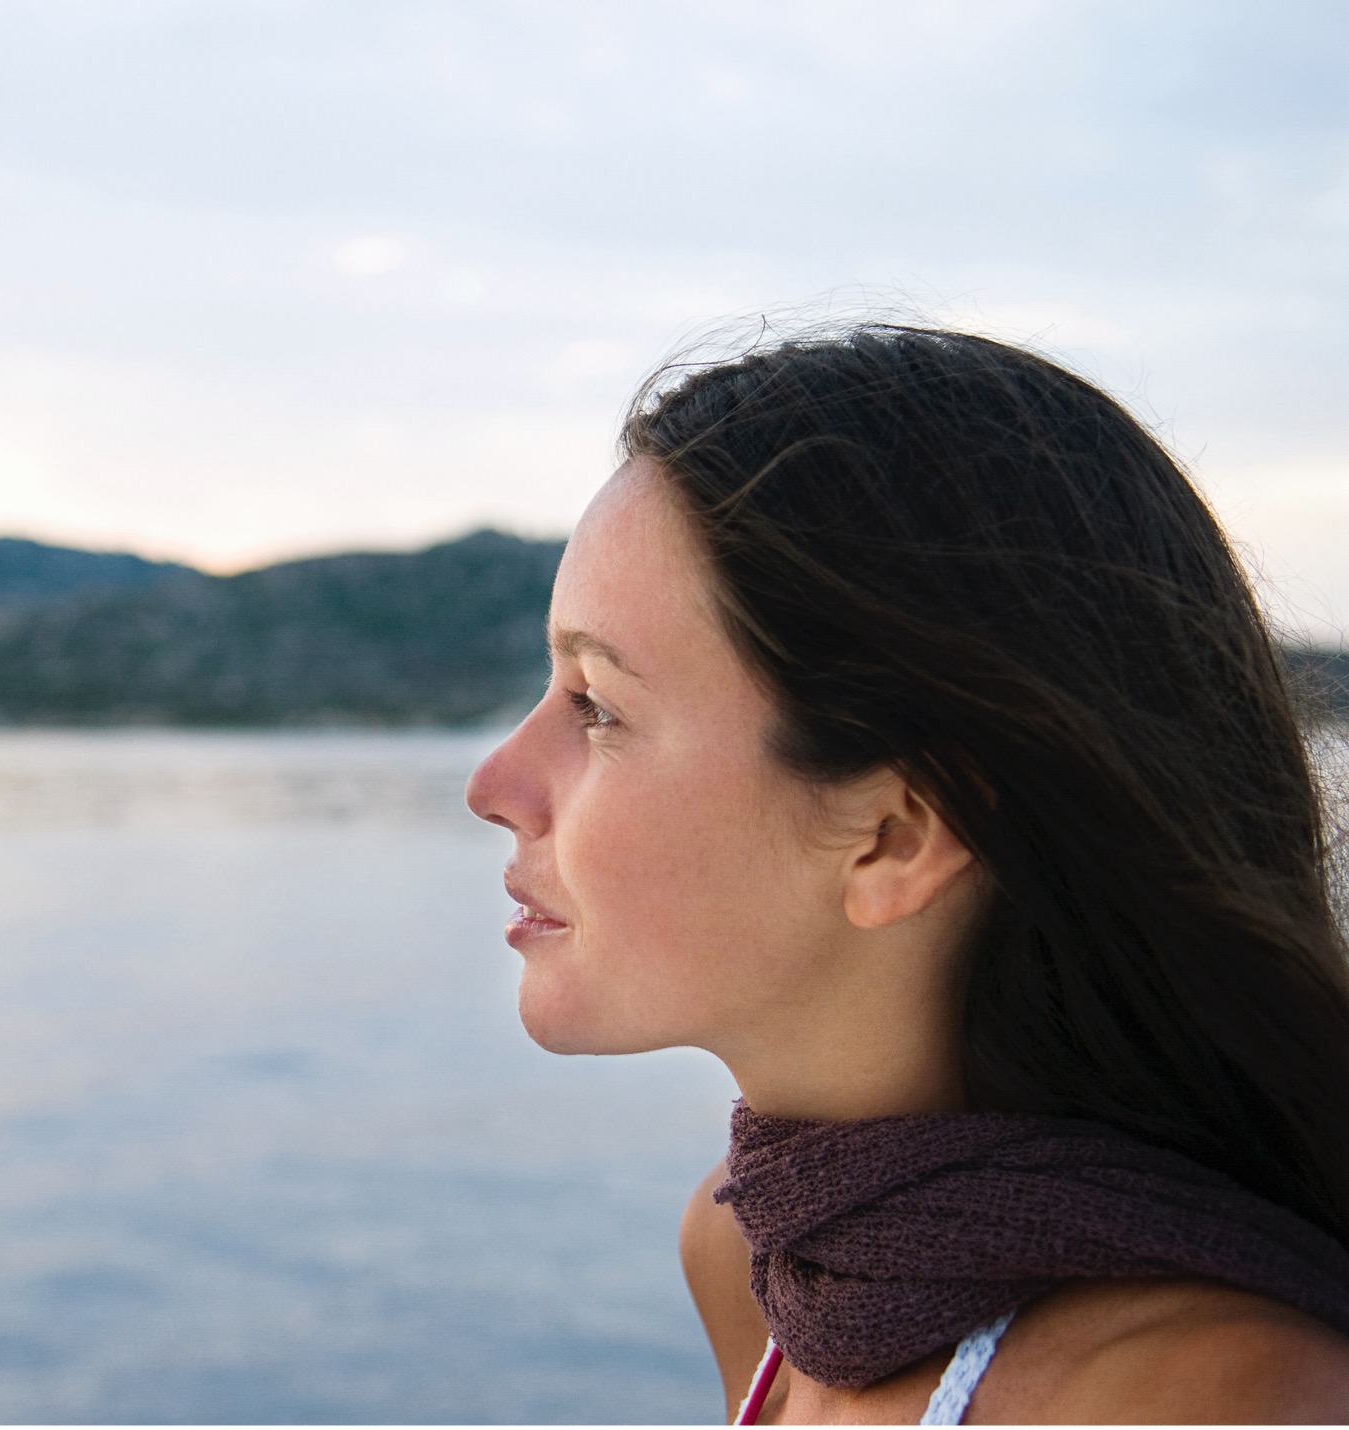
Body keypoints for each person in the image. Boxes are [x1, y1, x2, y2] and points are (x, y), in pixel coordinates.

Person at [463, 324, 1349, 1423]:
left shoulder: (1218, 1391)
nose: (494, 780)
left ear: (896, 836)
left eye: (597, 705)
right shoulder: (759, 1257)